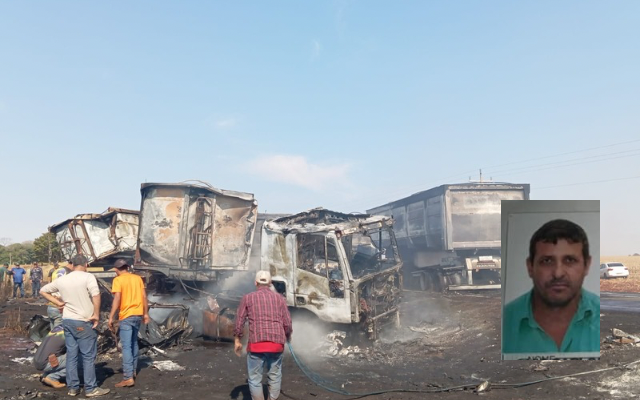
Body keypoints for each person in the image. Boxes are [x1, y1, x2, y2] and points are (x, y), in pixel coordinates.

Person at [502, 219, 600, 356]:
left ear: (587, 265)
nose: (558, 273)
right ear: (530, 267)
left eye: (569, 260)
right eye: (547, 261)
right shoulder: (505, 320)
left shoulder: (603, 316)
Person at [40, 254, 110, 397]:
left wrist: (58, 303)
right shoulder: (88, 277)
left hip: (67, 321)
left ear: (72, 264)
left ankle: (73, 388)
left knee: (72, 355)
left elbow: (43, 290)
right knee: (88, 356)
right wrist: (96, 314)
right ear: (86, 265)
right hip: (83, 321)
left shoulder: (63, 279)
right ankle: (91, 389)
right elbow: (96, 295)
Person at [234, 270, 292, 400]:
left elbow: (239, 321)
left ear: (255, 283)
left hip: (256, 345)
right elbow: (287, 322)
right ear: (270, 283)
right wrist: (287, 336)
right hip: (276, 344)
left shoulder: (247, 298)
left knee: (255, 379)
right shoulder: (280, 299)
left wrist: (237, 339)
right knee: (275, 375)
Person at [107, 259, 150, 388]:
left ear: (116, 269)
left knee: (126, 346)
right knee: (133, 343)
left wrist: (111, 317)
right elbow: (144, 297)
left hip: (126, 315)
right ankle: (133, 371)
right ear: (127, 267)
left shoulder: (118, 280)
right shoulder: (137, 278)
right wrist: (146, 313)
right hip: (137, 314)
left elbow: (117, 298)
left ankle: (127, 377)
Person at [34, 325, 67, 389]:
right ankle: (52, 377)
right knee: (76, 359)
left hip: (37, 360)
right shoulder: (69, 333)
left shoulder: (58, 328)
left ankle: (46, 375)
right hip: (46, 363)